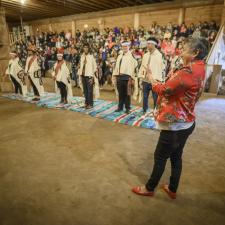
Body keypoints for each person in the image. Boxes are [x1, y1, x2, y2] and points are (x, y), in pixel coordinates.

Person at [132, 38, 208, 199]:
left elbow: (165, 90)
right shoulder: (200, 68)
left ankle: (149, 188)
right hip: (187, 122)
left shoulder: (187, 72)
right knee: (176, 156)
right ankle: (172, 188)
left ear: (195, 53)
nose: (181, 51)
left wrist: (151, 78)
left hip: (175, 124)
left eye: (185, 49)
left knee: (160, 157)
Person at [138, 37, 164, 114]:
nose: (147, 45)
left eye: (149, 44)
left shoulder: (159, 55)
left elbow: (160, 68)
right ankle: (144, 110)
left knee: (155, 97)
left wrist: (156, 79)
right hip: (145, 79)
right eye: (147, 43)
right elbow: (142, 66)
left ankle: (156, 111)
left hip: (154, 81)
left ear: (154, 45)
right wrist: (141, 77)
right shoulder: (145, 55)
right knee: (145, 96)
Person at [113, 41, 138, 114]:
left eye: (126, 46)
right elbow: (116, 66)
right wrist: (115, 75)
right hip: (119, 77)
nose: (124, 48)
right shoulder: (120, 56)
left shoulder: (131, 56)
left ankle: (127, 108)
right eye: (123, 46)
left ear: (128, 47)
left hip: (128, 78)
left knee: (128, 94)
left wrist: (133, 78)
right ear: (122, 47)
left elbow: (135, 67)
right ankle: (120, 107)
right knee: (120, 93)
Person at [77, 44, 97, 109]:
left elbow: (94, 67)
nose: (85, 49)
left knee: (90, 91)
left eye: (86, 47)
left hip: (89, 76)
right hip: (83, 75)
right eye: (84, 47)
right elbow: (80, 65)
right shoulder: (82, 56)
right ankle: (86, 103)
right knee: (85, 91)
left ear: (88, 49)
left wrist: (92, 77)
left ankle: (90, 104)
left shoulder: (91, 57)